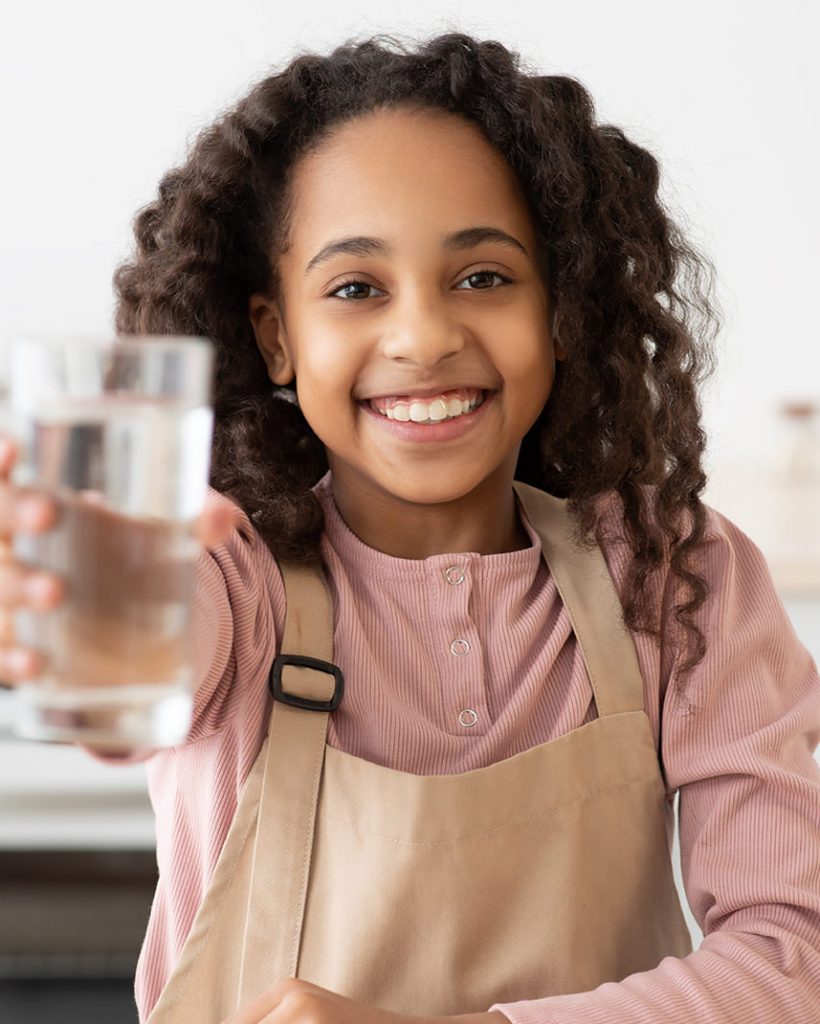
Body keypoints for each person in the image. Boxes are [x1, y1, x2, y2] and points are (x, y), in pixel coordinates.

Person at [1, 30, 819, 1024]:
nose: (425, 336)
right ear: (275, 334)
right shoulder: (233, 572)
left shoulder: (672, 573)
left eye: (482, 276)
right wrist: (72, 607)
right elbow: (142, 647)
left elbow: (793, 957)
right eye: (355, 288)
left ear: (558, 307)